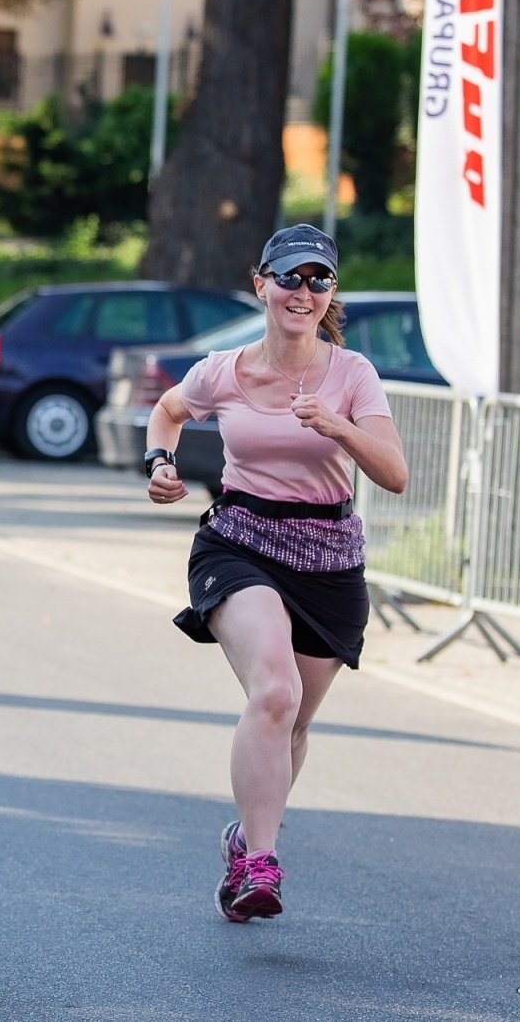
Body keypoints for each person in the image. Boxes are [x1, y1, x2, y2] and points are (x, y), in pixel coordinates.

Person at [143, 223, 408, 923]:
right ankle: (262, 863)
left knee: (291, 723)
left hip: (327, 558)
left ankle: (241, 839)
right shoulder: (223, 370)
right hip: (241, 540)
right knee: (273, 691)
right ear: (261, 283)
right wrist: (160, 465)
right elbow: (167, 412)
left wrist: (340, 428)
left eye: (318, 279)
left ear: (331, 294)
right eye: (289, 277)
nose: (303, 291)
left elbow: (396, 474)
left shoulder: (352, 375)